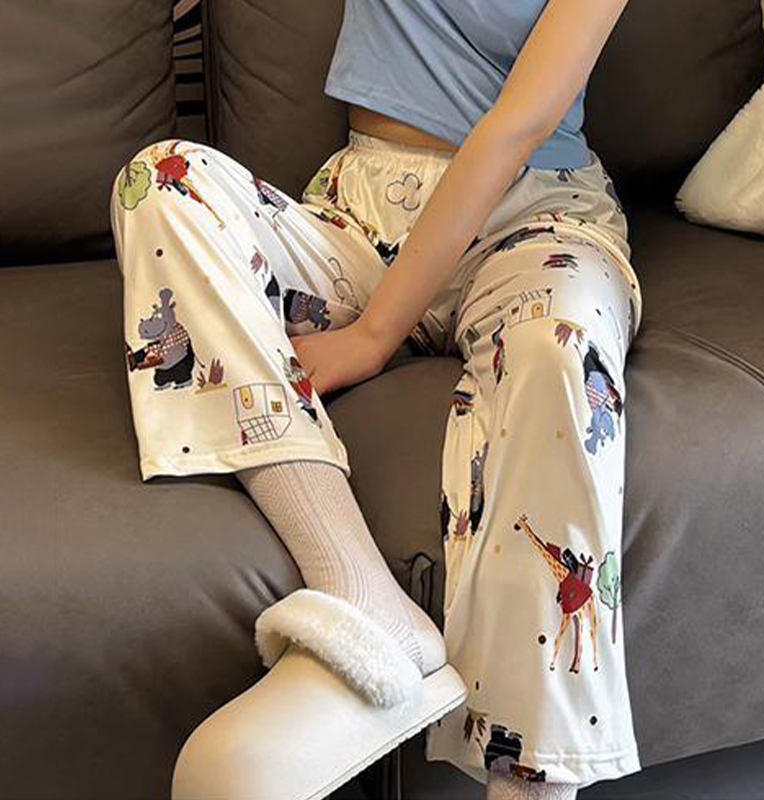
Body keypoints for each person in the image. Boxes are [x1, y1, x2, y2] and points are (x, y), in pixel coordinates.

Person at [110, 1, 642, 798]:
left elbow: (521, 123)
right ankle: (360, 593)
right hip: (361, 219)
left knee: (557, 352)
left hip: (538, 217)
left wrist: (374, 334)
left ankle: (533, 786)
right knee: (159, 183)